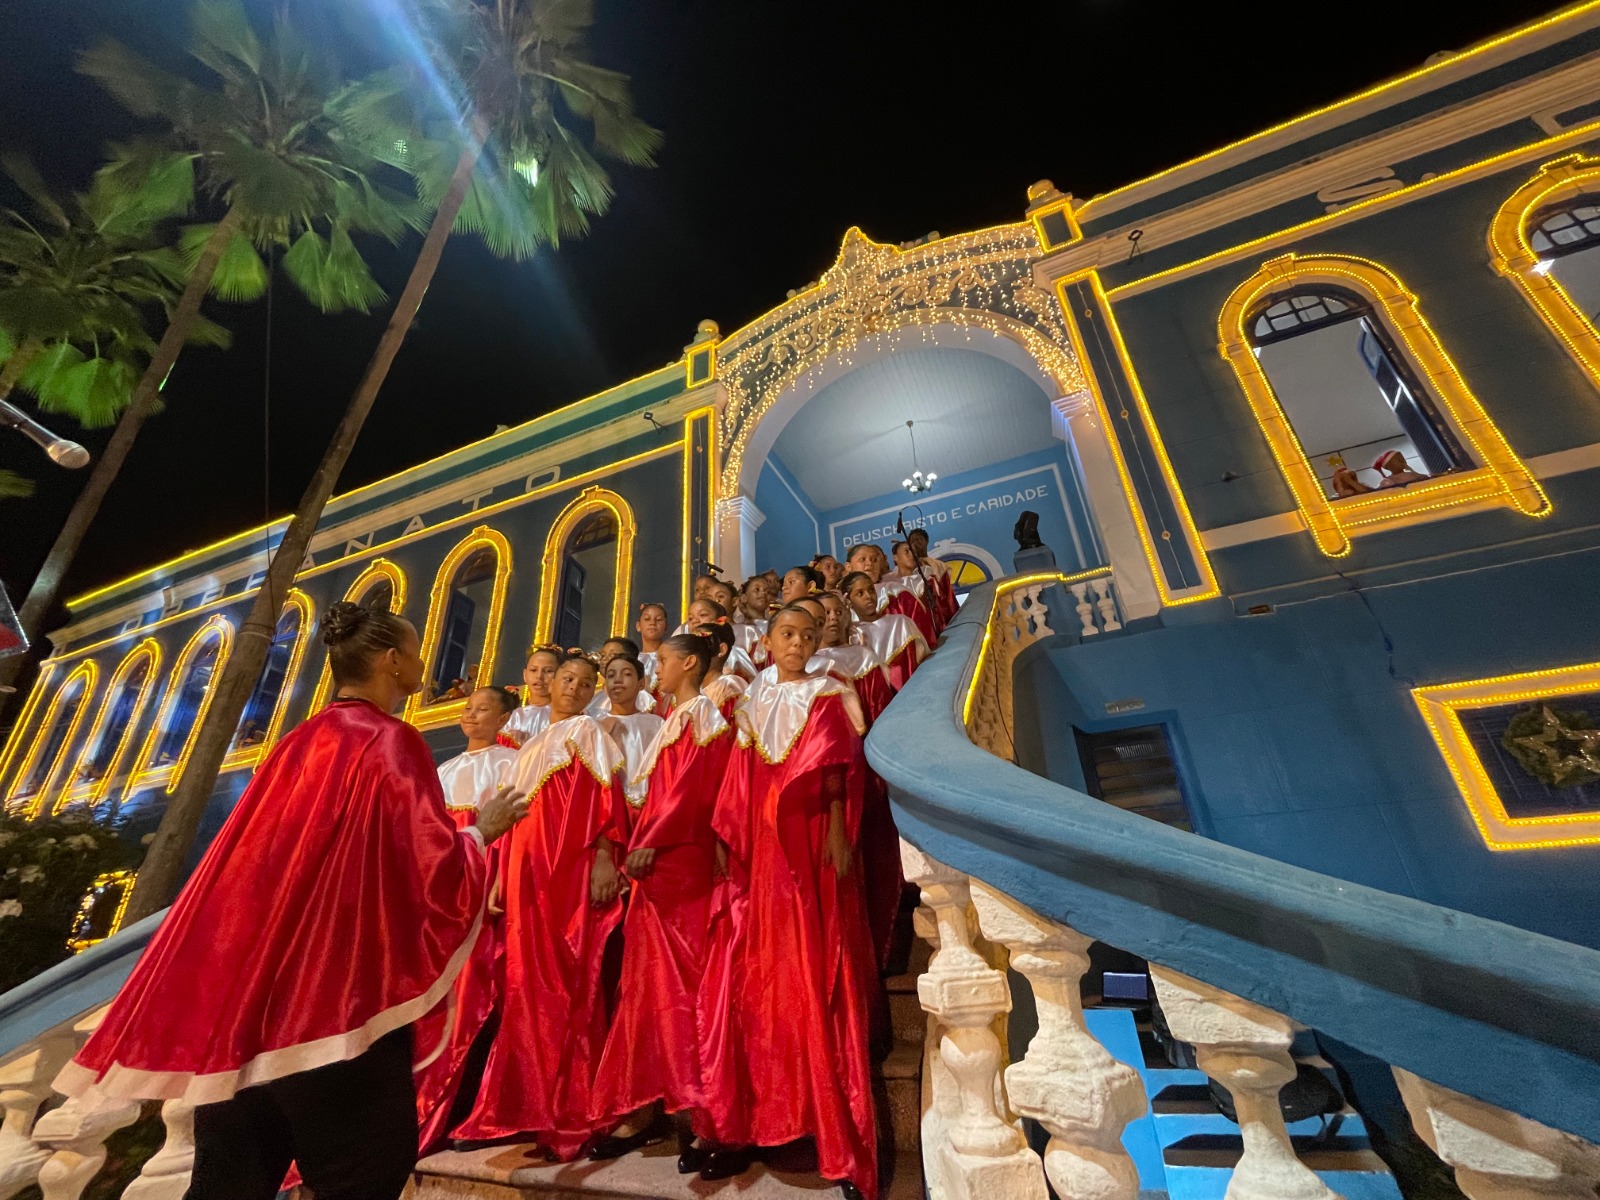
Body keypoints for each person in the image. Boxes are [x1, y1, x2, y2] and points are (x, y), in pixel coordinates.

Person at [54, 603, 526, 1200]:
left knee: (229, 1182)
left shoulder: (296, 743)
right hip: (329, 1012)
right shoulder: (389, 741)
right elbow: (425, 866)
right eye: (414, 649)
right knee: (366, 1167)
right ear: (390, 661)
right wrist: (482, 832)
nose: (423, 662)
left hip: (249, 1013)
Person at [699, 604, 878, 1200]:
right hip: (761, 845)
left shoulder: (829, 694)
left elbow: (835, 776)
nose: (796, 642)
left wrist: (835, 831)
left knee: (816, 958)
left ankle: (833, 1127)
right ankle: (758, 1119)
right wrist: (729, 841)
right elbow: (737, 780)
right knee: (762, 972)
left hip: (808, 843)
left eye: (805, 634)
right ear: (768, 642)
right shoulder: (752, 704)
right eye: (786, 634)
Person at [456, 653, 627, 1159]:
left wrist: (603, 857)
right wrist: (499, 879)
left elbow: (605, 797)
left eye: (584, 683)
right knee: (523, 988)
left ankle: (570, 1115)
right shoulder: (528, 749)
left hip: (566, 872)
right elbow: (510, 819)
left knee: (566, 984)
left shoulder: (590, 732)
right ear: (549, 684)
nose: (574, 689)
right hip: (525, 878)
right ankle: (518, 1108)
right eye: (566, 679)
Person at [590, 633, 735, 1163]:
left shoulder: (701, 715)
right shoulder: (677, 718)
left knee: (685, 986)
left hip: (681, 863)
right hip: (660, 868)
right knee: (650, 987)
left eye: (664, 661)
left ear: (689, 663)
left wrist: (651, 840)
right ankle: (651, 1104)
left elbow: (694, 786)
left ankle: (706, 1115)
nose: (657, 669)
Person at [417, 686, 520, 1152]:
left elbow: (507, 832)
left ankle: (464, 1104)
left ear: (504, 717)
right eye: (469, 707)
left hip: (483, 889)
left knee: (480, 990)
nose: (471, 714)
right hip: (446, 895)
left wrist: (492, 883)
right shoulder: (443, 770)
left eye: (484, 708)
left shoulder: (507, 764)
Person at [597, 654, 666, 809]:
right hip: (609, 806)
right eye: (611, 675)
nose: (617, 680)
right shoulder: (596, 726)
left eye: (627, 674)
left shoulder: (656, 724)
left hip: (649, 806)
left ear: (641, 684)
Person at [843, 570, 929, 693]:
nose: (868, 596)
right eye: (860, 593)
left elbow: (922, 658)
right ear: (849, 602)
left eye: (871, 590)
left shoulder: (901, 623)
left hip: (915, 692)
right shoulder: (854, 635)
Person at [504, 646, 560, 747]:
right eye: (533, 670)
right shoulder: (514, 717)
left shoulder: (566, 717)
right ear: (525, 675)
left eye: (548, 671)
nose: (539, 676)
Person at [695, 621, 747, 720]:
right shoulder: (694, 687)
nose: (692, 651)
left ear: (722, 650)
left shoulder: (729, 686)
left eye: (699, 645)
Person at [907, 527, 958, 627]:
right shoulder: (908, 566)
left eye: (919, 540)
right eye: (912, 540)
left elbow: (947, 593)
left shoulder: (939, 565)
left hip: (940, 612)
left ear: (926, 542)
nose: (916, 543)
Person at [635, 602, 669, 689]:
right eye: (647, 619)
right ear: (638, 626)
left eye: (658, 619)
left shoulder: (671, 658)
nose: (652, 623)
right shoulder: (633, 661)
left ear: (666, 627)